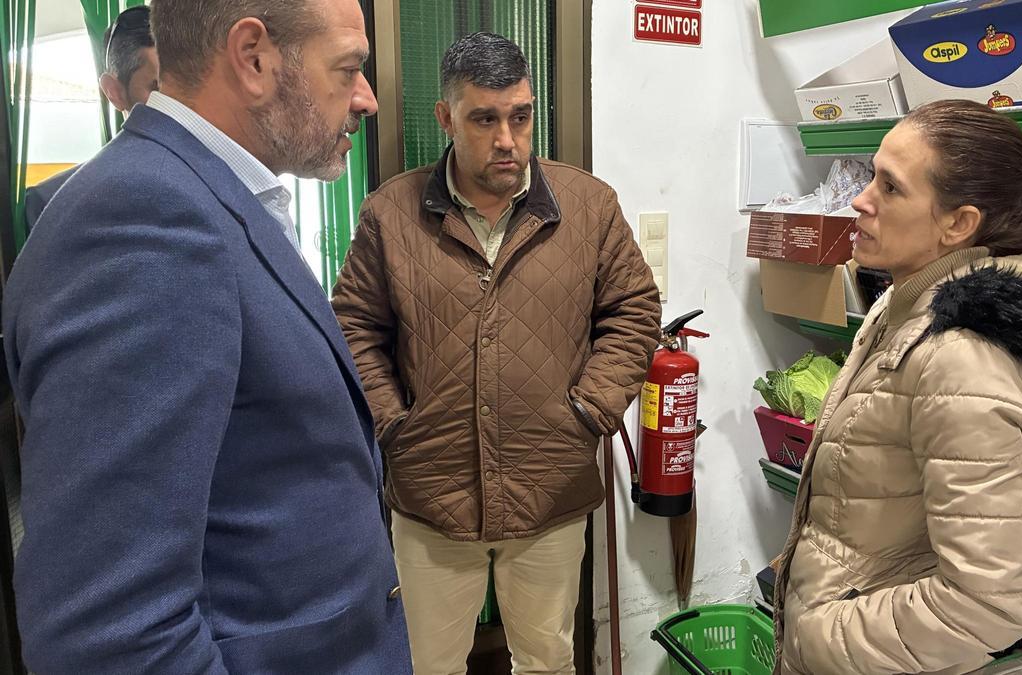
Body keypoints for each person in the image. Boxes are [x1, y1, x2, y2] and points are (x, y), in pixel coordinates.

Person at [3, 0, 411, 672]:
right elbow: (111, 634)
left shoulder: (209, 197)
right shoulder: (144, 224)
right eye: (348, 69)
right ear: (253, 59)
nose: (366, 98)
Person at [332, 31, 661, 674]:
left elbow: (634, 312)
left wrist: (588, 412)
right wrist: (396, 426)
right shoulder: (389, 215)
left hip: (550, 489)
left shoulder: (589, 207)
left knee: (547, 661)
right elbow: (354, 329)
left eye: (520, 115)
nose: (507, 139)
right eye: (485, 119)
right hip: (431, 495)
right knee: (427, 665)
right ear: (447, 119)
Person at [772, 100, 1022, 675]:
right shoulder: (905, 303)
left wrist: (818, 636)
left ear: (958, 224)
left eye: (890, 187)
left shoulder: (964, 359)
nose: (861, 200)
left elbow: (988, 605)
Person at [24, 5, 159, 228]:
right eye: (158, 90)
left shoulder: (221, 182)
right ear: (115, 93)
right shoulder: (52, 205)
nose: (179, 107)